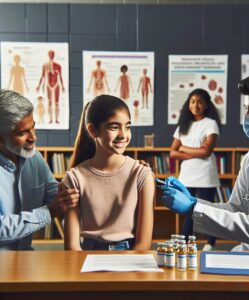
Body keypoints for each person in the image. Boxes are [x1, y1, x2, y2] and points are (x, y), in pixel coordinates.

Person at [161, 68, 249, 251]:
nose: (248, 116)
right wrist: (195, 202)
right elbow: (236, 209)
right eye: (247, 108)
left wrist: (193, 208)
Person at [63, 94, 155, 251]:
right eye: (114, 127)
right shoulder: (74, 178)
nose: (123, 135)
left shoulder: (142, 174)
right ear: (93, 130)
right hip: (86, 256)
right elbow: (72, 247)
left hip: (130, 256)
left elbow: (143, 245)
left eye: (127, 127)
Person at [0, 89, 79, 251]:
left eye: (33, 128)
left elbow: (56, 196)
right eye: (22, 133)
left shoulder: (34, 158)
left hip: (25, 259)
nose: (33, 137)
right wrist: (48, 213)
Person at [170, 88, 221, 251]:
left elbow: (207, 151)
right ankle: (183, 242)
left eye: (200, 102)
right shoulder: (182, 126)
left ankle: (211, 242)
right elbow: (172, 153)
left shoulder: (210, 123)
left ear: (206, 105)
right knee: (189, 210)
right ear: (188, 104)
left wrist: (183, 148)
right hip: (187, 175)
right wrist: (196, 152)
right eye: (192, 101)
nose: (196, 105)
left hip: (206, 174)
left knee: (207, 209)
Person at [36, 50, 65, 124]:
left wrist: (62, 86)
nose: (51, 55)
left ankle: (57, 119)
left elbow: (60, 76)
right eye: (50, 54)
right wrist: (39, 86)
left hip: (56, 84)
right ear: (48, 55)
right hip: (48, 85)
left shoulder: (58, 66)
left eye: (52, 54)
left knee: (56, 103)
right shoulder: (45, 66)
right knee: (49, 102)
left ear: (54, 55)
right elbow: (42, 76)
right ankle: (51, 119)